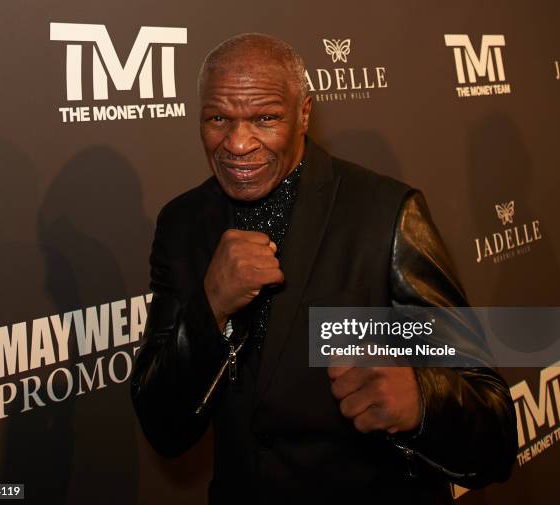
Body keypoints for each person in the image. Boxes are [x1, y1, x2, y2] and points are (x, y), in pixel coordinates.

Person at [131, 33, 517, 504]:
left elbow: (496, 430)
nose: (236, 142)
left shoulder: (385, 213)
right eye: (218, 119)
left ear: (304, 113)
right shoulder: (183, 223)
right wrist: (209, 308)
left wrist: (423, 402)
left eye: (265, 118)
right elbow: (162, 426)